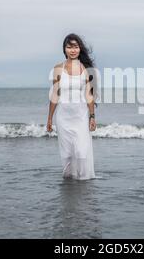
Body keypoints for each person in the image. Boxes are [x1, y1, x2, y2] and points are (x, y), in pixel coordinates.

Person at [46, 33, 97, 180]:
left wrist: (92, 117)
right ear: (64, 49)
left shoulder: (86, 69)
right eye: (69, 47)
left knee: (81, 151)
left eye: (75, 47)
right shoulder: (58, 68)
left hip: (80, 117)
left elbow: (89, 95)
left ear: (80, 49)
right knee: (67, 154)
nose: (72, 50)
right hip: (63, 117)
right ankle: (69, 185)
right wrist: (49, 119)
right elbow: (55, 95)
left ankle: (83, 182)